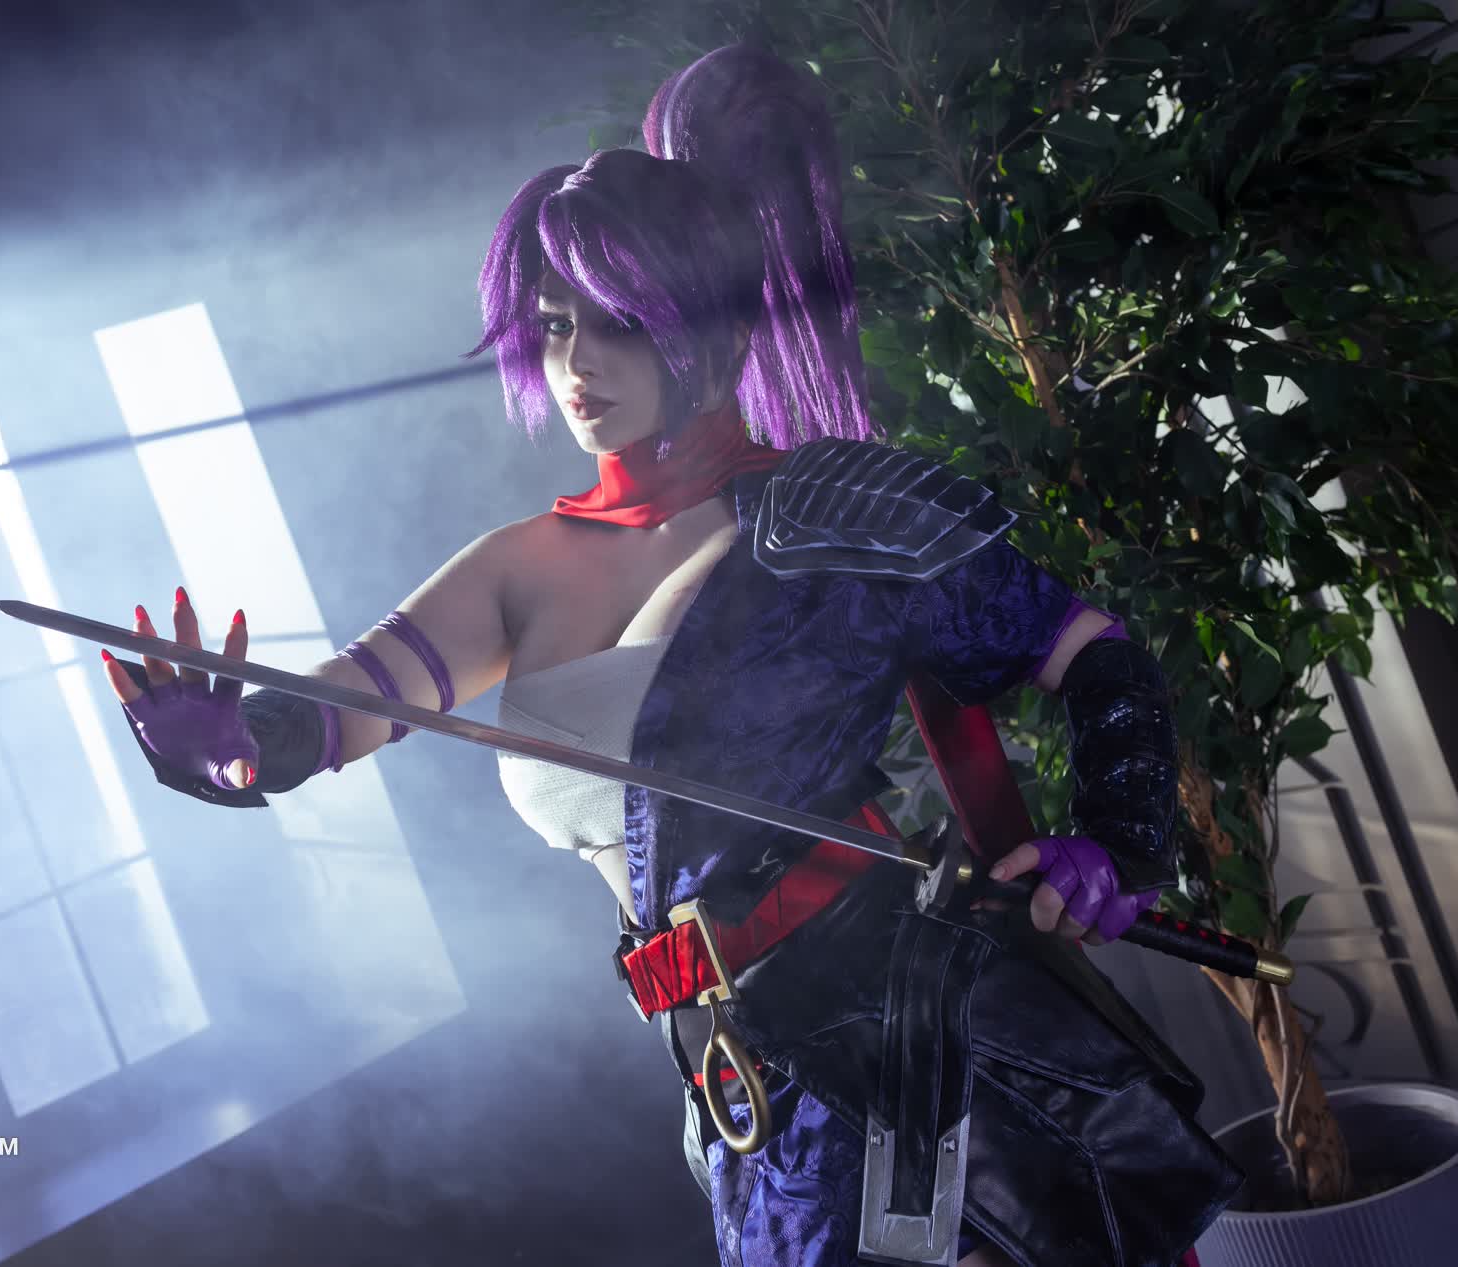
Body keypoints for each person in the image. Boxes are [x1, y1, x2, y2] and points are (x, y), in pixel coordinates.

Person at [101, 45, 1241, 1267]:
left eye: (619, 325)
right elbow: (343, 709)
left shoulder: (832, 514)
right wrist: (239, 746)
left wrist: (1116, 839)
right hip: (730, 1077)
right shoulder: (516, 566)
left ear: (708, 326)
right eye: (554, 327)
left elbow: (1092, 653)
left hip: (904, 1039)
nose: (575, 365)